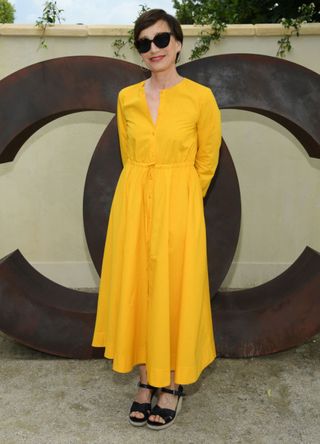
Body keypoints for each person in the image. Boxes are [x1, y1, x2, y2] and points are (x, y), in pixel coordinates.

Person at [91, 8, 222, 430]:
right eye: (144, 43)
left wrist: (181, 198)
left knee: (174, 289)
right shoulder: (127, 97)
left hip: (179, 205)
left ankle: (172, 383)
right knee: (138, 289)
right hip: (133, 204)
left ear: (178, 42)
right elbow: (130, 155)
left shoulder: (201, 98)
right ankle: (146, 378)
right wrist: (146, 194)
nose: (153, 49)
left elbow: (207, 160)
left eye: (161, 39)